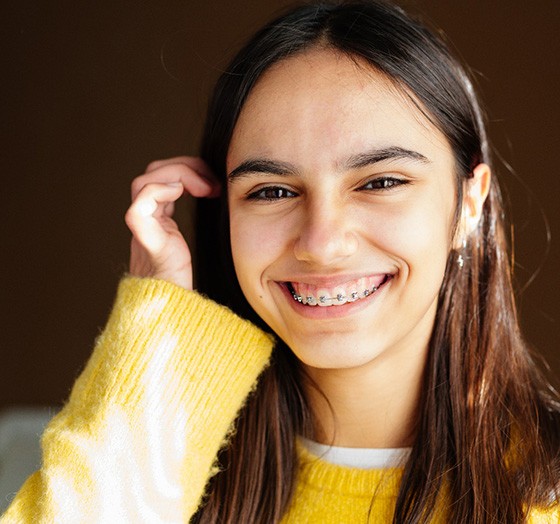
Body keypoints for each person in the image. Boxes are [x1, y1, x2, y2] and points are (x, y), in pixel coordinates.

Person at [3, 1, 559, 522]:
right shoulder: (158, 477)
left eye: (381, 181)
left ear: (468, 201)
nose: (320, 241)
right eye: (271, 191)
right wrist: (155, 332)